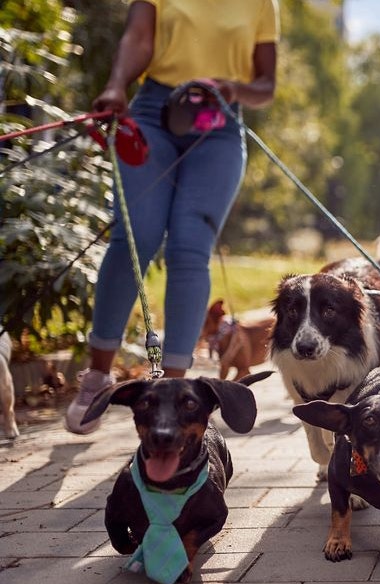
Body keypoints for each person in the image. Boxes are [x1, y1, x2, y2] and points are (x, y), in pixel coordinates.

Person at [65, 0, 278, 434]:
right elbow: (138, 38)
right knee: (135, 237)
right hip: (151, 113)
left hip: (218, 119)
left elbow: (266, 84)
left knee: (188, 249)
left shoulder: (262, 4)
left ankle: (174, 397)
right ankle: (97, 376)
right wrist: (116, 84)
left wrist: (234, 89)